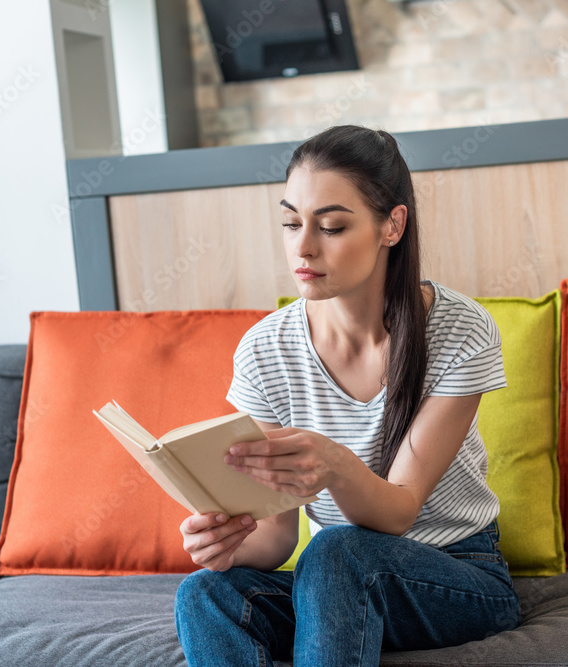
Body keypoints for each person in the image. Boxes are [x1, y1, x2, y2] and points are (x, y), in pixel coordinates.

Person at [174, 124, 520, 666]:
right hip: (333, 584)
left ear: (392, 225)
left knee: (336, 549)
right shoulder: (266, 350)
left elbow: (400, 511)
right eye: (291, 223)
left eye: (331, 226)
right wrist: (227, 543)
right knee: (204, 593)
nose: (303, 247)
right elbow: (279, 538)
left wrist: (334, 464)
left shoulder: (459, 330)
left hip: (458, 574)